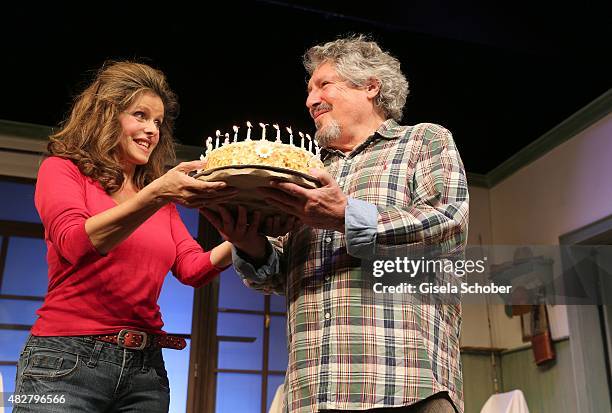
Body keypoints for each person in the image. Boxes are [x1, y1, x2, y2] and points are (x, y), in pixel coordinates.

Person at [202, 35, 469, 413]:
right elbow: (275, 277)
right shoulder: (306, 168)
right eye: (309, 90)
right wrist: (249, 244)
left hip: (404, 385)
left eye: (324, 84)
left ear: (371, 86)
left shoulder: (422, 141)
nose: (310, 101)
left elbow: (447, 225)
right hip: (314, 389)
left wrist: (346, 216)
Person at [14, 61, 236, 412]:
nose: (152, 130)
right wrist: (158, 193)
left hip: (145, 374)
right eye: (140, 115)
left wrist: (244, 239)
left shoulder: (156, 197)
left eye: (159, 122)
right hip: (62, 362)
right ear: (106, 115)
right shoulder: (62, 169)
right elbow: (75, 243)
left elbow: (193, 268)